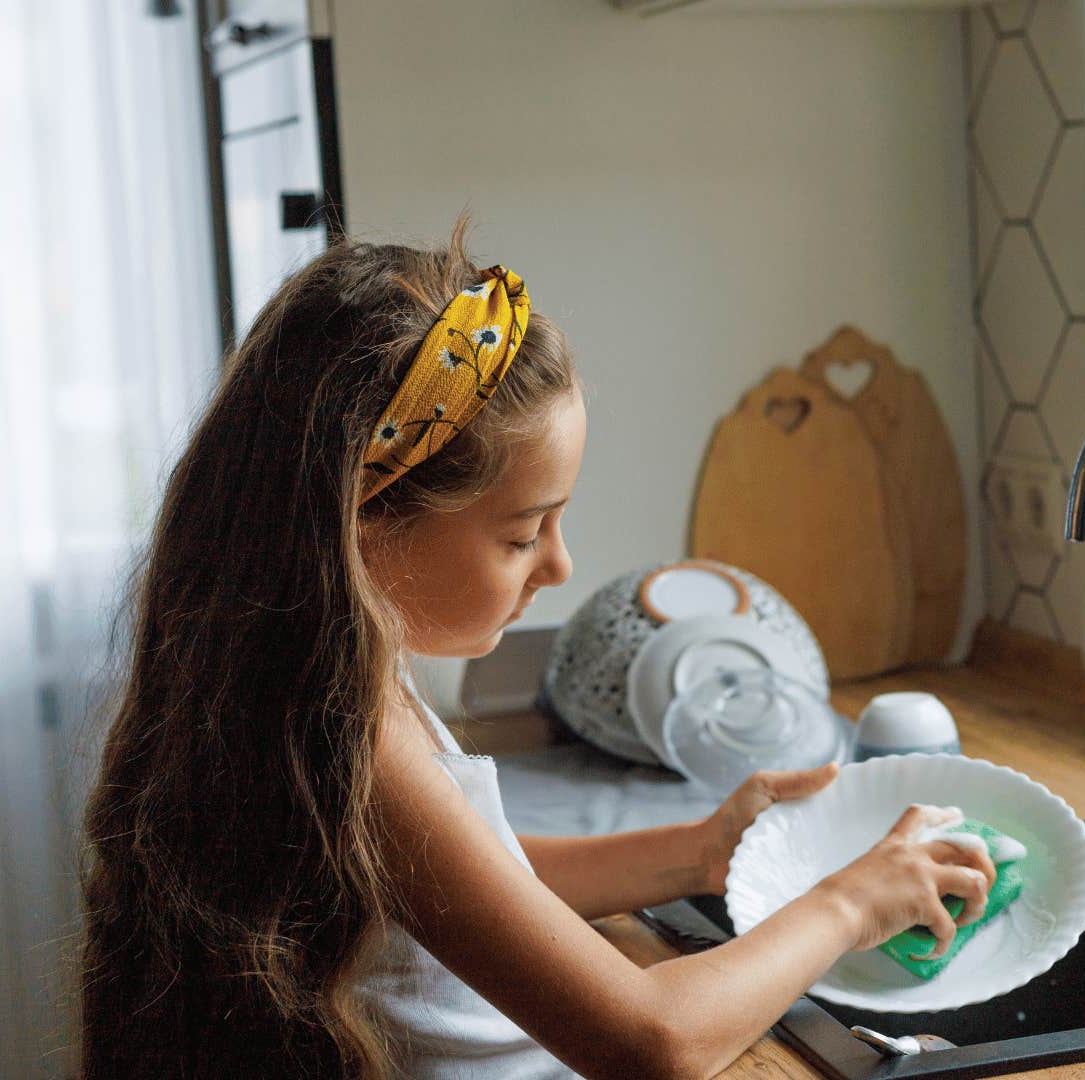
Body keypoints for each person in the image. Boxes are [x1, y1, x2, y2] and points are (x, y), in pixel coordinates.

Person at [77, 221, 997, 1079]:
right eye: (524, 533)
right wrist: (847, 905)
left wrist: (700, 850)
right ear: (363, 521)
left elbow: (476, 890)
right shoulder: (348, 735)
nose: (558, 566)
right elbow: (649, 1040)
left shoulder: (308, 684)